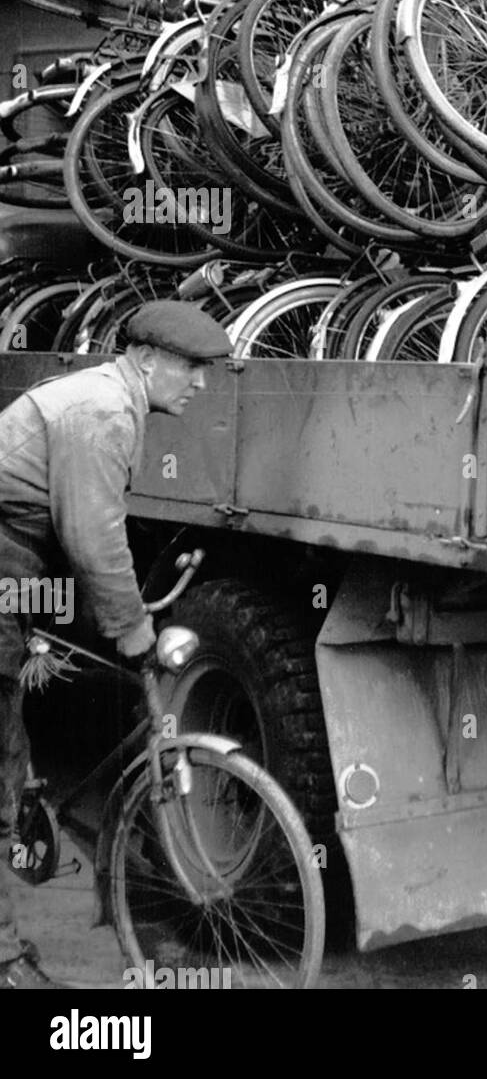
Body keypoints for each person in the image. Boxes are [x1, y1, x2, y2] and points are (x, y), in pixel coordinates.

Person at [0, 301, 232, 989]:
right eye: (191, 368)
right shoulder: (103, 411)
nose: (201, 384)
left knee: (20, 746)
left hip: (19, 567)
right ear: (147, 359)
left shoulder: (114, 403)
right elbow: (95, 542)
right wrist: (136, 633)